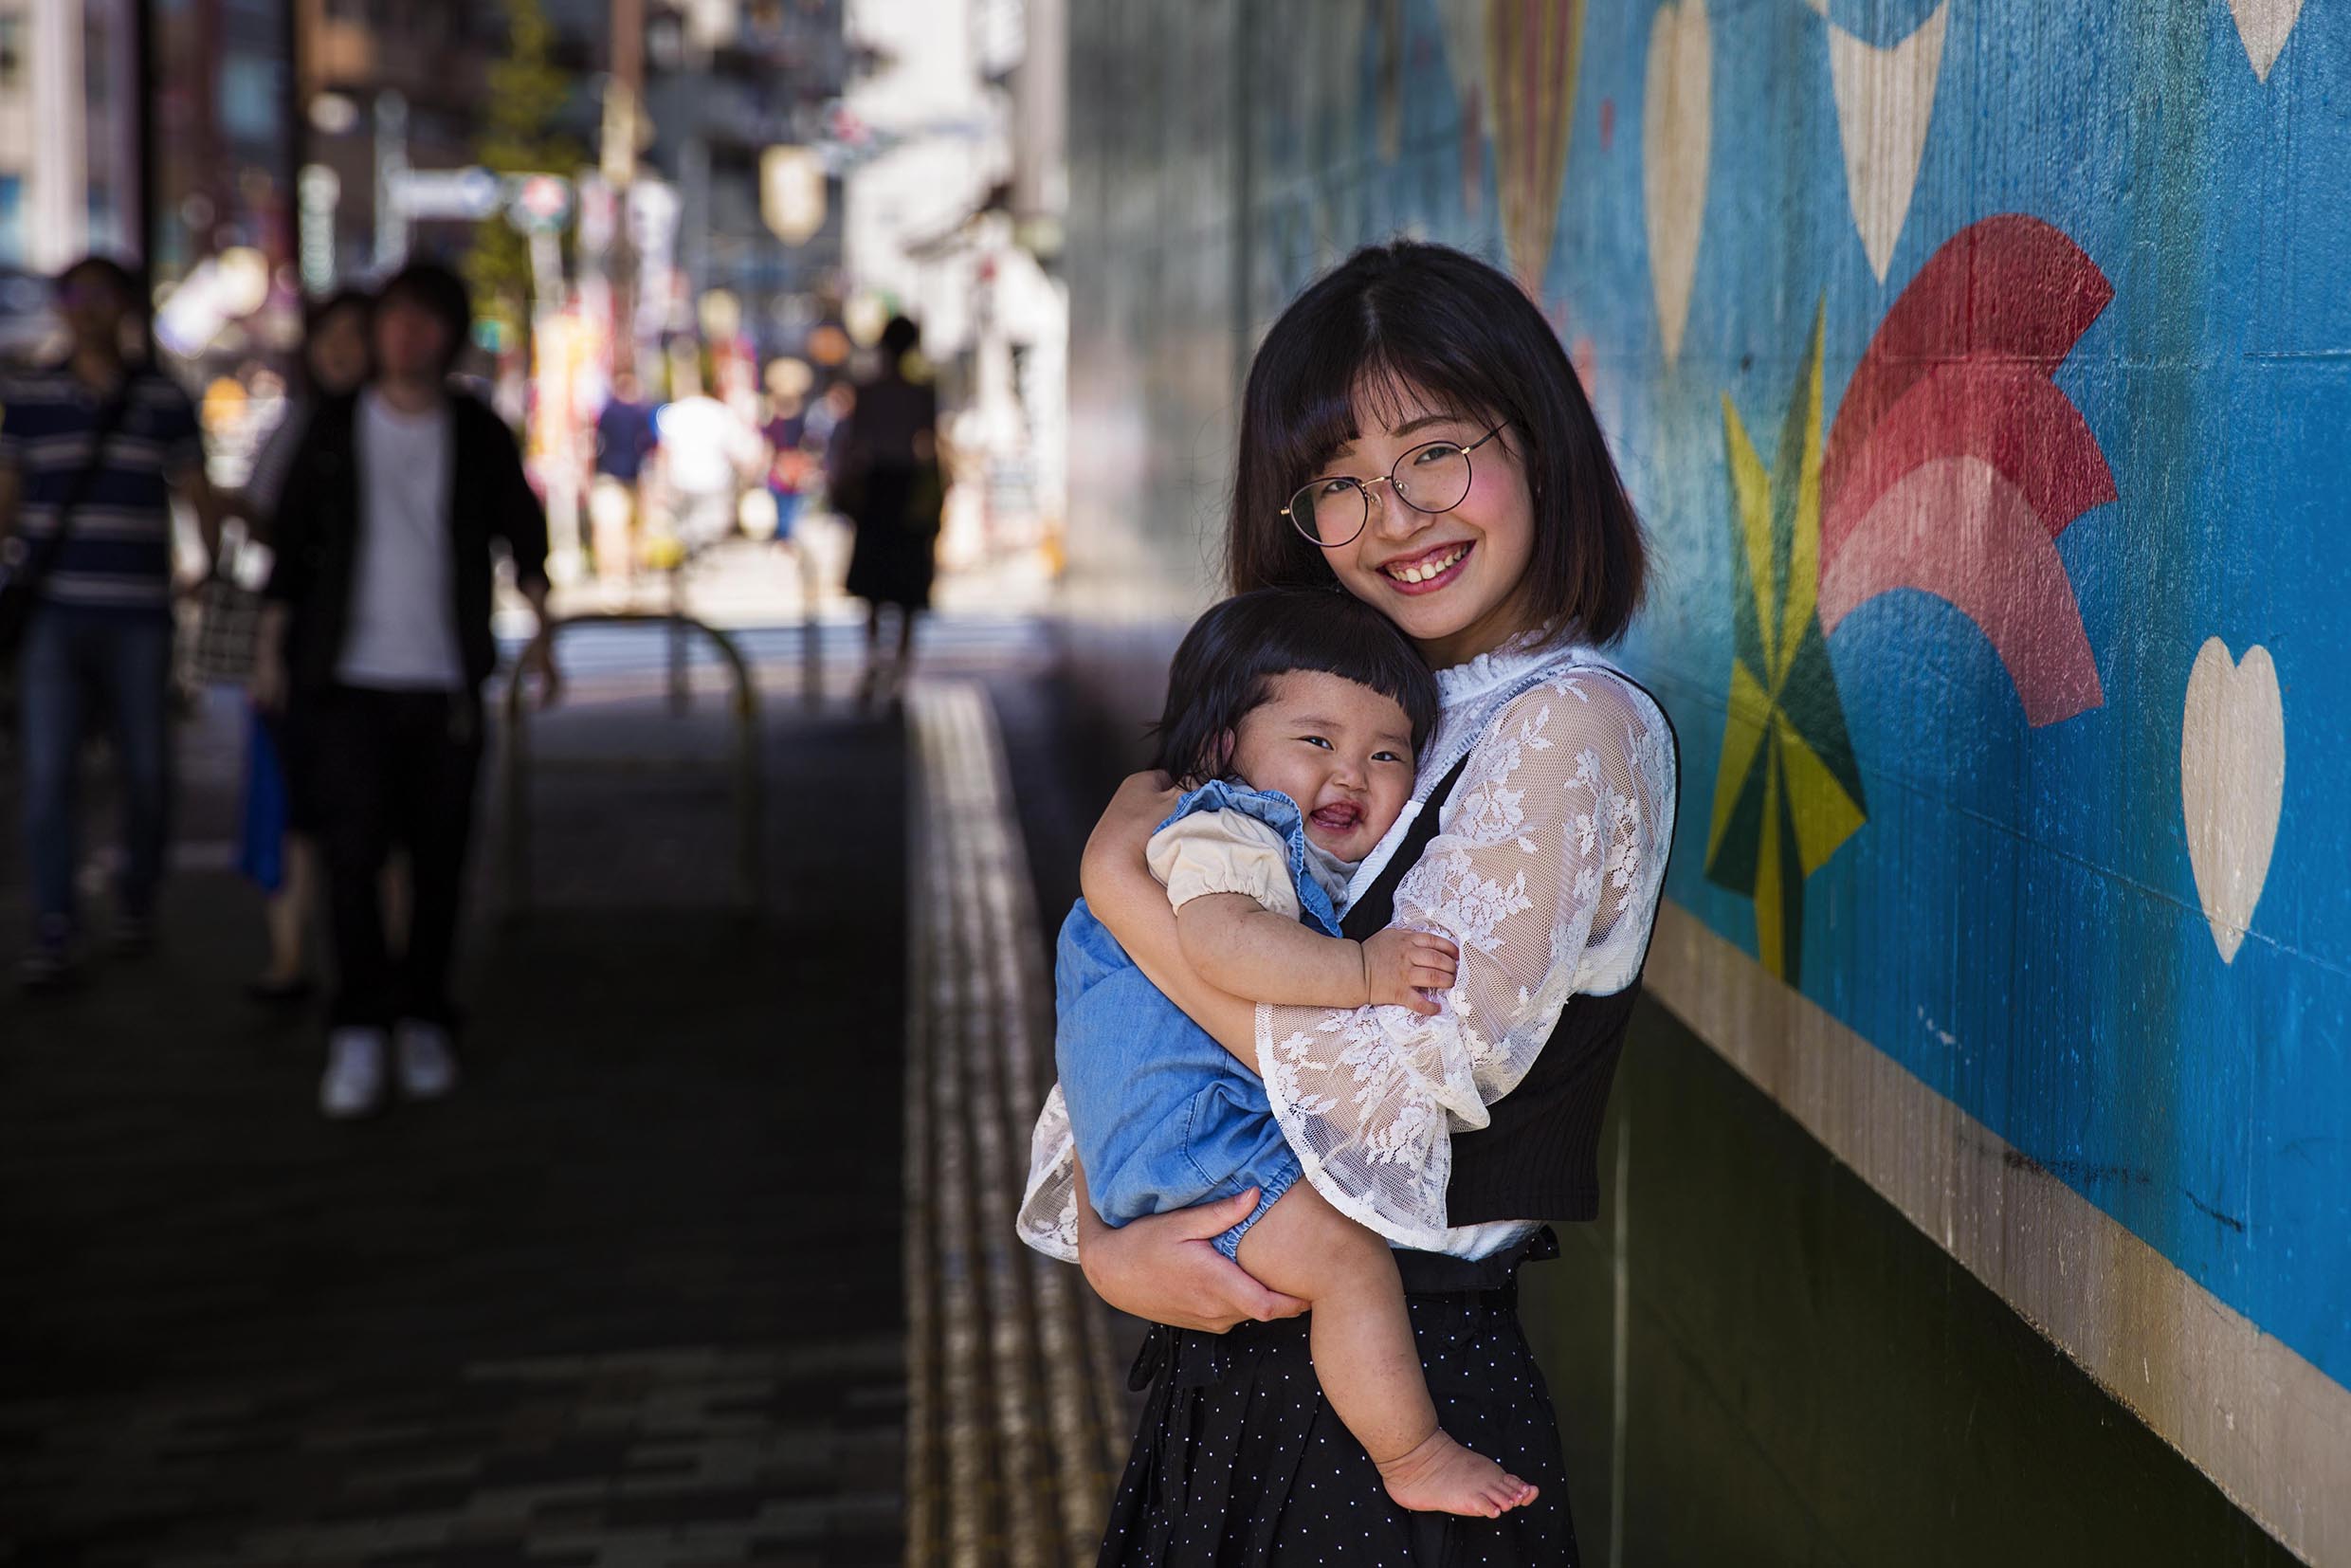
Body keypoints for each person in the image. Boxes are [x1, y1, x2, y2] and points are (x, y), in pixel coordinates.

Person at [1018, 240, 1680, 1562]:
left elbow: (1387, 1085)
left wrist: (1112, 884)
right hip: (1229, 1384)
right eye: (1338, 484)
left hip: (1405, 1405)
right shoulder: (1339, 718)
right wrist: (1106, 1235)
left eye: (1436, 451)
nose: (1395, 517)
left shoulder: (1570, 726)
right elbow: (1118, 1050)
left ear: (1537, 443)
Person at [1038, 585, 1548, 1518]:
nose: (1350, 773)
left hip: (1177, 1136)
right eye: (1315, 742)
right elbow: (1222, 944)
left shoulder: (1239, 836)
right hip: (1197, 1142)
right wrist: (1362, 969)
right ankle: (1410, 1451)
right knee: (1347, 1260)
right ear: (1217, 747)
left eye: (1384, 752)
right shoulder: (1225, 828)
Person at [252, 261, 559, 1120]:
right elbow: (292, 552)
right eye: (394, 319)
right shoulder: (335, 426)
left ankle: (424, 1013)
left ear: (449, 335)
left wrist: (542, 633)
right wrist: (274, 653)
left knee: (440, 861)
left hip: (445, 680)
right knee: (351, 857)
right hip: (344, 679)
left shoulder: (476, 429)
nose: (404, 336)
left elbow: (522, 535)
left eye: (424, 322)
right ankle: (357, 1025)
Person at [0, 254, 224, 989]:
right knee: (49, 773)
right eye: (74, 295)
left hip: (139, 615)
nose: (86, 307)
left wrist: (210, 568)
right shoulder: (28, 396)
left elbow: (195, 489)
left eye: (101, 294)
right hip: (54, 616)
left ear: (126, 306)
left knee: (149, 768)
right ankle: (57, 921)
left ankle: (136, 897)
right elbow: (7, 497)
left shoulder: (162, 397)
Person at [229, 287, 372, 1002]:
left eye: (356, 332)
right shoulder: (293, 428)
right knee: (291, 810)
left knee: (384, 820)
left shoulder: (416, 425)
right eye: (329, 335)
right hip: (300, 647)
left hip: (381, 654)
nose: (341, 348)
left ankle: (384, 970)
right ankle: (290, 957)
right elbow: (268, 537)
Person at [836, 316, 942, 703]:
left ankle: (875, 662)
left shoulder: (867, 392)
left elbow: (852, 449)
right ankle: (898, 673)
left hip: (877, 488)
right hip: (907, 488)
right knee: (908, 590)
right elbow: (929, 448)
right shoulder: (922, 393)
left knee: (873, 589)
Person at [590, 368, 658, 584]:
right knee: (627, 525)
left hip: (609, 475)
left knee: (611, 526)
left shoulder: (606, 412)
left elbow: (594, 444)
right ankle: (626, 570)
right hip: (630, 476)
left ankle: (613, 573)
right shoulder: (640, 412)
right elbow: (650, 446)